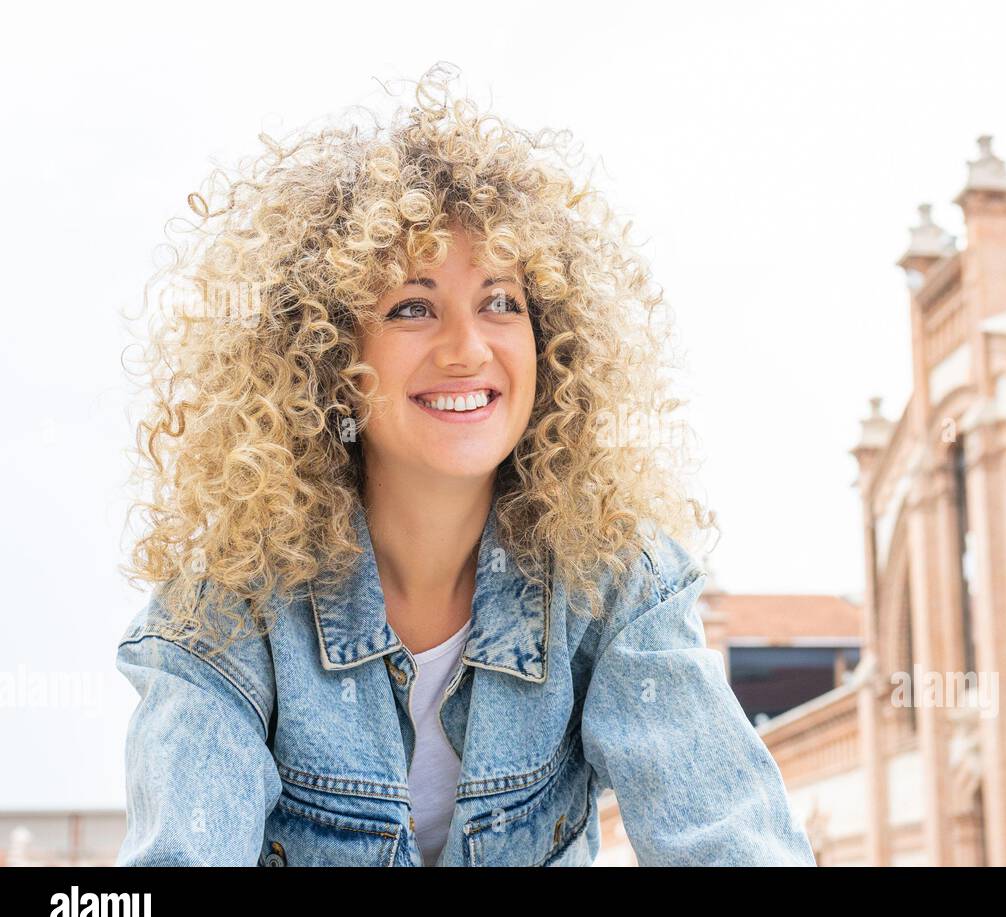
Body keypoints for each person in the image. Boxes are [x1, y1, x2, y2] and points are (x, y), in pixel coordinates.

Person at [115, 63, 816, 866]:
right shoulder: (226, 606)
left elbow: (731, 844)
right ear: (330, 359)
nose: (467, 348)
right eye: (412, 307)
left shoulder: (614, 583)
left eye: (501, 303)